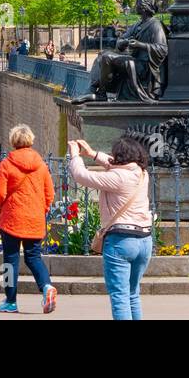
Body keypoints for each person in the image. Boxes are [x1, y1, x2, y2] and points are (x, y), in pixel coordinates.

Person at [68, 136, 152, 320]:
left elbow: (81, 176)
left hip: (122, 240)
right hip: (145, 240)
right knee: (132, 294)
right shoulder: (141, 173)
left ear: (119, 157)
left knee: (120, 297)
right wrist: (92, 153)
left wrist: (75, 156)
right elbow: (113, 165)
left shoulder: (117, 177)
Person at [0, 124, 58, 314]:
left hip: (11, 218)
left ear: (13, 142)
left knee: (9, 261)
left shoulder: (6, 164)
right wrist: (40, 209)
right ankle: (46, 287)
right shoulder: (42, 165)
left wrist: (4, 205)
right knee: (34, 257)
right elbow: (49, 194)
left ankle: (10, 301)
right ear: (31, 140)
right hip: (35, 218)